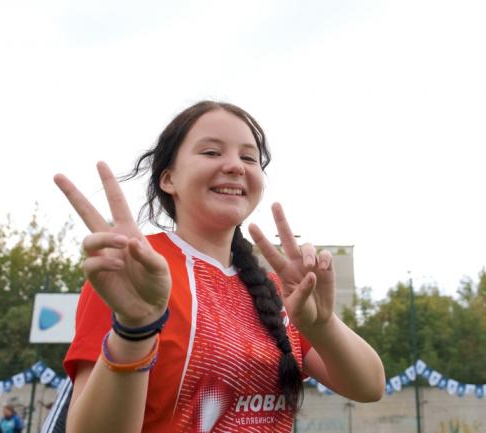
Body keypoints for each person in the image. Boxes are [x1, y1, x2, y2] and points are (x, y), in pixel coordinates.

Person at [55, 101, 385, 433]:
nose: (235, 166)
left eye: (249, 158)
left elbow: (369, 387)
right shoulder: (133, 272)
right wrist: (135, 328)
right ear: (168, 179)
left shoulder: (276, 291)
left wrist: (322, 325)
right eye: (211, 152)